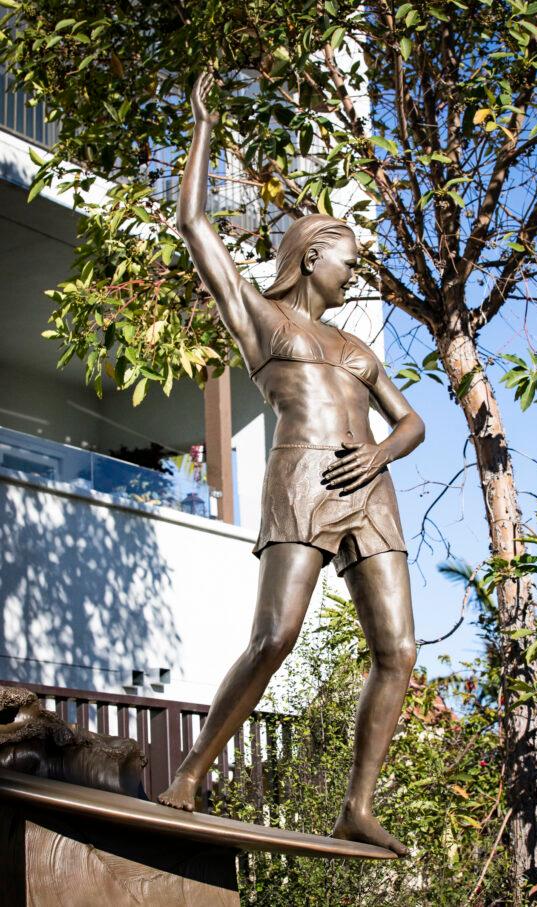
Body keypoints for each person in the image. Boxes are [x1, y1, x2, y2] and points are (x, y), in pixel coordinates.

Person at [158, 73, 425, 857]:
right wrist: (203, 126)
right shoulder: (263, 318)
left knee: (399, 651)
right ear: (312, 258)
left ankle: (357, 804)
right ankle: (194, 770)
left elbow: (412, 422)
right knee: (274, 634)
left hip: (369, 486)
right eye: (348, 262)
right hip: (301, 478)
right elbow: (193, 222)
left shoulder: (358, 348)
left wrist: (377, 452)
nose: (356, 274)